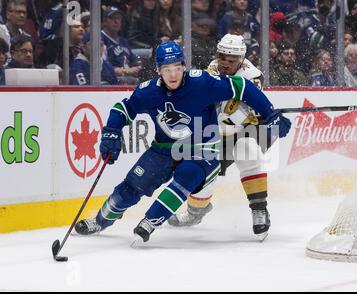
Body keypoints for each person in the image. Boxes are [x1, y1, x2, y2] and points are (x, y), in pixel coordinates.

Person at [74, 41, 291, 244]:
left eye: (177, 68)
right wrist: (111, 132)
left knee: (189, 175)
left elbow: (243, 87)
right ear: (158, 70)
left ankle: (151, 221)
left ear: (184, 67)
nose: (173, 74)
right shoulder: (148, 91)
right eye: (167, 69)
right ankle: (100, 221)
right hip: (165, 148)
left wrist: (269, 113)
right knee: (131, 187)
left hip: (202, 148)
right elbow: (123, 108)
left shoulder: (201, 82)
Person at [168, 34, 275, 240]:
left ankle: (259, 210)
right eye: (222, 57)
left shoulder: (253, 76)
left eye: (231, 60)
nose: (225, 63)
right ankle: (196, 212)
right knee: (202, 172)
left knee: (248, 152)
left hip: (244, 129)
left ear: (241, 59)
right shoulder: (212, 68)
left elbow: (235, 114)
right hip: (216, 132)